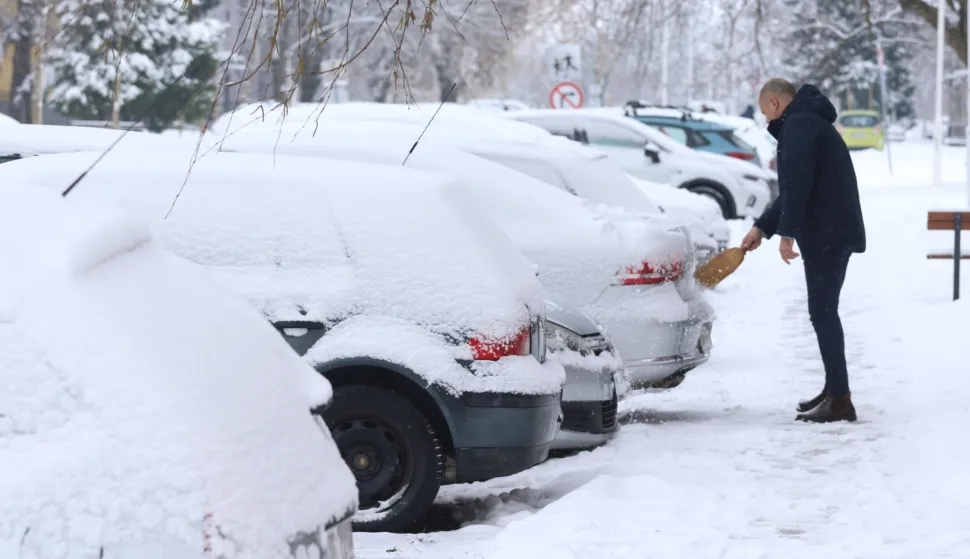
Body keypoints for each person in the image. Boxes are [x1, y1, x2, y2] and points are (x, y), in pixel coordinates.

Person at [739, 78, 866, 423]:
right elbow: (795, 188)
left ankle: (840, 399)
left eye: (766, 113)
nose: (767, 122)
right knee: (823, 311)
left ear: (776, 104)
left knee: (823, 312)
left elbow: (797, 186)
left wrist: (786, 235)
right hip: (833, 230)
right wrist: (762, 228)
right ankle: (834, 388)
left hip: (828, 233)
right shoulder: (809, 122)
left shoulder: (799, 126)